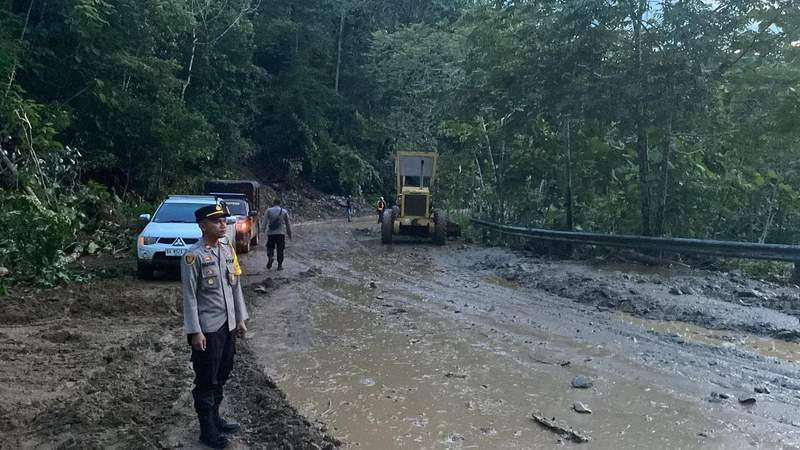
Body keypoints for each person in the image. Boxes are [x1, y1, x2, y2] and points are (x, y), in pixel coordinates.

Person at [181, 203, 249, 449]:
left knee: (222, 373)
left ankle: (216, 419)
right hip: (208, 328)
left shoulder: (227, 250)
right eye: (216, 221)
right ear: (202, 226)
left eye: (223, 221)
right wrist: (195, 331)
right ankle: (207, 430)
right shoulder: (193, 256)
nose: (222, 225)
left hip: (228, 325)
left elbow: (235, 287)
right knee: (206, 379)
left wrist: (240, 318)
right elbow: (189, 297)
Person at [261, 198, 292, 271]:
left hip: (271, 234)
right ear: (280, 204)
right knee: (280, 249)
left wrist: (263, 231)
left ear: (273, 203)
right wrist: (289, 233)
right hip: (281, 234)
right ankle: (279, 266)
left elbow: (264, 222)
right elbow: (288, 224)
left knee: (270, 247)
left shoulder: (268, 210)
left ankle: (270, 257)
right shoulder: (284, 211)